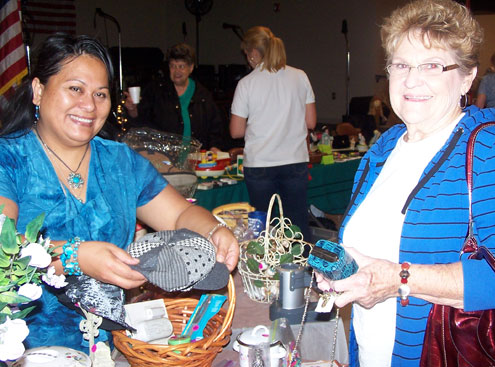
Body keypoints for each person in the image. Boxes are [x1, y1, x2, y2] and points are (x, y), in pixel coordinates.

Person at [313, 1, 495, 366]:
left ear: (468, 78)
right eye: (401, 64)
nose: (411, 79)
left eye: (432, 65)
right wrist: (344, 270)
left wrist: (400, 279)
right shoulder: (383, 149)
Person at [0, 33, 238, 353]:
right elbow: (6, 249)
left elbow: (179, 213)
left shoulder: (120, 162)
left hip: (110, 347)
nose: (89, 105)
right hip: (25, 350)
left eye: (101, 93)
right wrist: (75, 256)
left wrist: (214, 230)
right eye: (75, 89)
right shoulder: (10, 159)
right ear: (39, 91)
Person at [229, 26, 317, 242]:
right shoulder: (300, 76)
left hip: (260, 165)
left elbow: (236, 131)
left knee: (263, 227)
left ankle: (263, 272)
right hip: (295, 162)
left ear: (253, 53)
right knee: (296, 224)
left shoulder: (246, 84)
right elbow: (311, 122)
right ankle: (302, 271)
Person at [124, 43, 225, 152]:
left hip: (197, 158)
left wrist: (214, 147)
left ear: (191, 68)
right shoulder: (156, 91)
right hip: (163, 159)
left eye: (181, 66)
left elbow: (215, 127)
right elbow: (140, 122)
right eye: (173, 66)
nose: (177, 71)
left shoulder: (203, 95)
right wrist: (132, 109)